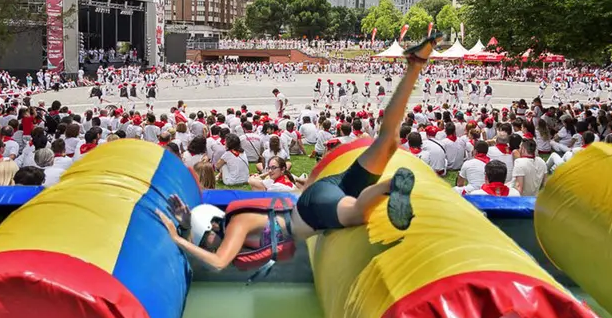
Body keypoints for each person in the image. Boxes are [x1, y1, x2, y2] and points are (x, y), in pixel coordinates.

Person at [156, 33, 442, 272]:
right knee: (388, 142)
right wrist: (186, 221)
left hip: (312, 210)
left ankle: (391, 186)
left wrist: (177, 238)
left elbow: (219, 263)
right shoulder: (232, 220)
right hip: (321, 191)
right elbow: (207, 228)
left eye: (206, 239)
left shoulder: (236, 226)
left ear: (213, 229)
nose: (209, 244)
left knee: (357, 213)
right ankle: (414, 65)